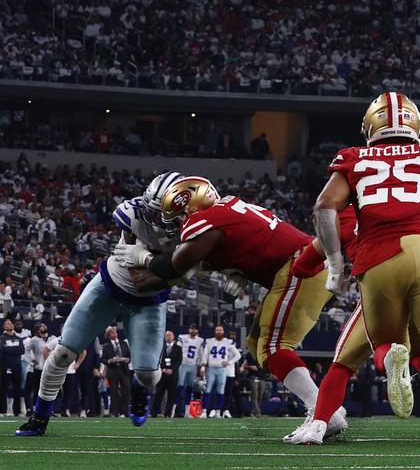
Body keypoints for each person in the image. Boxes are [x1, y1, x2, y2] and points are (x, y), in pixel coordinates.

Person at [285, 91, 420, 457]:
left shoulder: (354, 158)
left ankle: (318, 424)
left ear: (369, 126)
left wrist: (335, 264)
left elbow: (324, 206)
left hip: (375, 262)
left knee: (352, 356)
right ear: (415, 123)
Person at [141, 177, 332, 421]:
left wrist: (143, 257)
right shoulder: (229, 208)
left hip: (301, 265)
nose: (170, 222)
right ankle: (320, 407)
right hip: (302, 263)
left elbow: (174, 266)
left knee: (272, 347)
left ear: (189, 205)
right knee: (256, 344)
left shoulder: (205, 219)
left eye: (172, 214)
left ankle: (324, 412)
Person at [15, 175, 183, 436]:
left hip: (148, 302)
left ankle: (139, 388)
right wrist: (154, 263)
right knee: (62, 353)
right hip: (108, 287)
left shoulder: (196, 232)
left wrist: (147, 259)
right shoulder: (134, 212)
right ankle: (40, 415)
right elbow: (133, 268)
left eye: (163, 211)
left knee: (148, 375)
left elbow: (175, 272)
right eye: (153, 209)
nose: (155, 216)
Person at [1, 320, 24, 416]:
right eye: (7, 323)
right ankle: (2, 411)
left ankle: (17, 411)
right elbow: (2, 349)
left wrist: (9, 350)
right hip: (6, 366)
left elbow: (22, 350)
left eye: (11, 323)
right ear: (4, 326)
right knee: (3, 389)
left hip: (17, 366)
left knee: (17, 389)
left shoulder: (18, 338)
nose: (9, 324)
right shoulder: (2, 338)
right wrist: (14, 350)